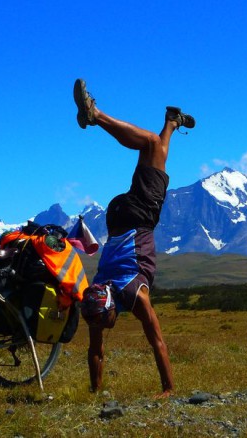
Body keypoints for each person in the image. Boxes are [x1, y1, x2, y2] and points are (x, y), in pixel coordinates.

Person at [73, 78, 194, 399]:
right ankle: (173, 120)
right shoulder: (96, 298)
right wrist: (94, 393)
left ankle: (95, 115)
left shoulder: (121, 298)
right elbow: (95, 351)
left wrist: (168, 390)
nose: (105, 325)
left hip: (137, 217)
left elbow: (157, 341)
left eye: (106, 321)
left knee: (151, 145)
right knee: (157, 153)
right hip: (116, 219)